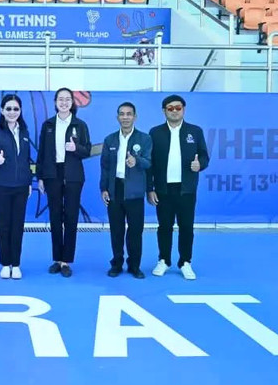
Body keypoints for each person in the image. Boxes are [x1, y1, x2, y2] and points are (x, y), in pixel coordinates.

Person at [146, 94, 209, 280]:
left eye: (178, 108)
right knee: (164, 226)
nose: (174, 111)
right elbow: (149, 163)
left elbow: (204, 156)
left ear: (184, 109)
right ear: (164, 111)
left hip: (186, 189)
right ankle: (164, 260)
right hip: (163, 189)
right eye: (170, 108)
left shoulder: (195, 131)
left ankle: (185, 262)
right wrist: (150, 188)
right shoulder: (155, 133)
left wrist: (200, 165)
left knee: (186, 226)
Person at [36, 88, 92, 278]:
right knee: (55, 217)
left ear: (72, 102)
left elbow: (87, 150)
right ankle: (57, 259)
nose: (64, 102)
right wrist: (40, 177)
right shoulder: (48, 125)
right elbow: (42, 153)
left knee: (70, 218)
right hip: (52, 175)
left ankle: (66, 261)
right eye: (61, 99)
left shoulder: (80, 125)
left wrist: (76, 148)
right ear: (55, 102)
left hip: (73, 176)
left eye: (68, 99)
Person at [99, 102, 152, 279]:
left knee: (135, 231)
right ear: (117, 117)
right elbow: (105, 167)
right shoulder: (110, 139)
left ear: (135, 117)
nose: (125, 117)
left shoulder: (144, 139)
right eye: (122, 114)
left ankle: (134, 266)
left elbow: (149, 162)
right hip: (115, 189)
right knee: (116, 230)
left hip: (135, 191)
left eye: (129, 114)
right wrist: (104, 188)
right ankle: (116, 263)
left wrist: (137, 161)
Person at [0, 94, 33, 280]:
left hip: (21, 186)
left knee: (18, 226)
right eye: (9, 109)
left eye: (16, 109)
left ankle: (16, 264)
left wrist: (28, 182)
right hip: (2, 186)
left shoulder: (25, 132)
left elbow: (26, 160)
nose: (12, 112)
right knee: (4, 226)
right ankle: (5, 264)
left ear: (20, 111)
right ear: (2, 111)